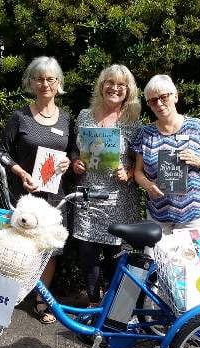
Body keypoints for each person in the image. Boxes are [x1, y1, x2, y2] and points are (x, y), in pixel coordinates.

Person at [0, 56, 74, 324]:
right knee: (18, 245)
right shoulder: (19, 117)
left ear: (58, 83)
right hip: (26, 195)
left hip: (54, 195)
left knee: (49, 248)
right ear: (31, 82)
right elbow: (1, 153)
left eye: (50, 79)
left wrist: (69, 161)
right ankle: (6, 297)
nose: (45, 84)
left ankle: (42, 300)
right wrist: (20, 172)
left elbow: (76, 153)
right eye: (39, 78)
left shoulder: (66, 119)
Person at [71, 64, 142, 306]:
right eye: (110, 83)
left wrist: (130, 173)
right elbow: (75, 149)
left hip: (118, 197)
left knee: (114, 253)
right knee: (87, 251)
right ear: (101, 86)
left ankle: (113, 309)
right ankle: (93, 302)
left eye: (121, 85)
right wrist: (75, 163)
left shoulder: (133, 123)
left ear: (128, 91)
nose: (114, 88)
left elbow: (143, 164)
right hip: (88, 193)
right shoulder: (84, 115)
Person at [132, 74, 200, 237]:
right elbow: (137, 171)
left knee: (188, 261)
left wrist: (199, 160)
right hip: (158, 213)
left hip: (193, 212)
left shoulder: (196, 126)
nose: (159, 103)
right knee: (156, 260)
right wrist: (147, 185)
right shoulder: (145, 133)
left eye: (163, 97)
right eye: (152, 100)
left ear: (175, 97)